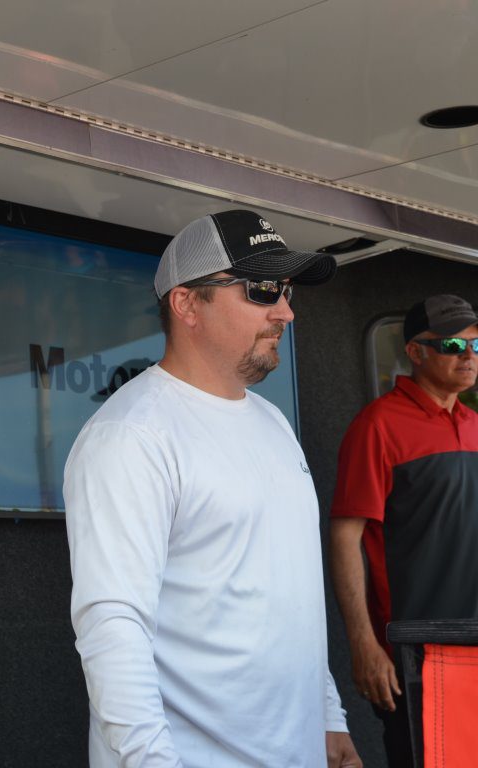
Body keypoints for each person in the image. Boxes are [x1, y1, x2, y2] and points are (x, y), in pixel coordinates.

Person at [64, 210, 361, 767]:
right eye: (263, 289)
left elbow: (289, 595)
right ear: (186, 304)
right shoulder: (131, 434)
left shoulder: (274, 424)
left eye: (287, 290)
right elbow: (112, 624)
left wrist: (328, 718)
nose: (286, 311)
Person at [330, 294, 478, 767]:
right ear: (415, 352)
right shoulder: (377, 426)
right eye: (452, 344)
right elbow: (345, 537)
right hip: (416, 655)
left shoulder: (475, 425)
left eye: (476, 344)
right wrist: (364, 645)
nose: (468, 355)